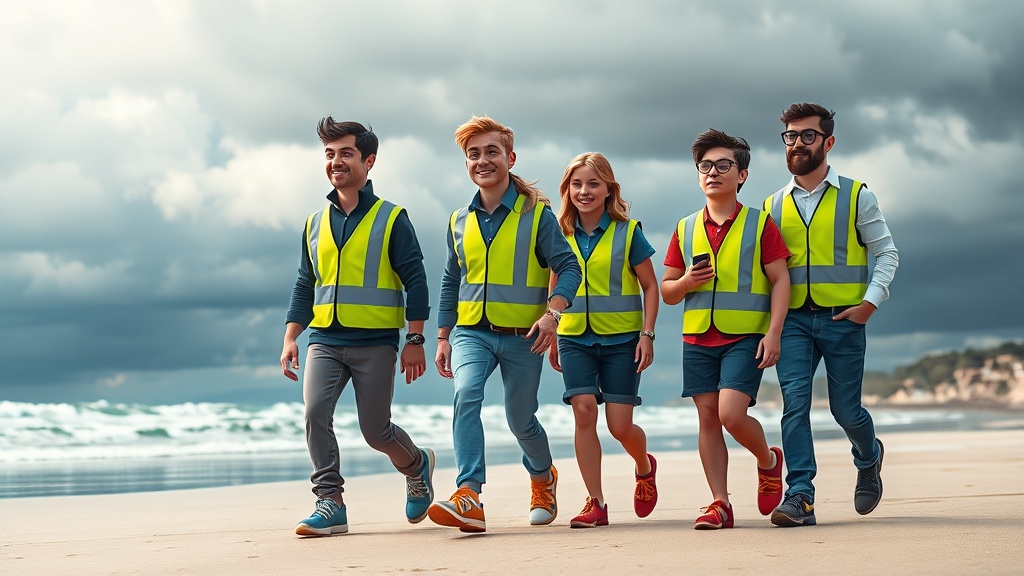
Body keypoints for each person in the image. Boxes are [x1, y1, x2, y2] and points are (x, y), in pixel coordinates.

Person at [280, 117, 435, 536]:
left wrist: (415, 339)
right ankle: (329, 502)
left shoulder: (392, 218)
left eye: (345, 153)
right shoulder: (314, 223)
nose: (336, 161)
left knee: (375, 430)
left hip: (376, 343)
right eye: (329, 154)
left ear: (369, 160)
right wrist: (292, 336)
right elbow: (304, 282)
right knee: (315, 414)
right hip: (325, 340)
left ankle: (417, 464)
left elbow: (415, 281)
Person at [429, 116, 582, 533]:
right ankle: (469, 494)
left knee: (521, 418)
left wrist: (553, 314)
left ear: (510, 158)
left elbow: (568, 267)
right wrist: (443, 336)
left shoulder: (537, 215)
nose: (483, 160)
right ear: (466, 163)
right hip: (471, 332)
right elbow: (450, 279)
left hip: (523, 338)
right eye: (473, 154)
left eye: (491, 151)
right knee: (466, 393)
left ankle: (542, 476)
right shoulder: (459, 220)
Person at [764, 103, 899, 527]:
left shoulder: (857, 195)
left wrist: (870, 303)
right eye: (790, 135)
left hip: (844, 319)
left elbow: (887, 253)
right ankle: (800, 495)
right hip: (794, 324)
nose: (797, 143)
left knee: (846, 411)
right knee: (795, 405)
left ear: (828, 142)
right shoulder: (772, 204)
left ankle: (869, 456)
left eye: (807, 135)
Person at [661, 129, 790, 530]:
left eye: (723, 165)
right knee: (706, 418)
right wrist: (686, 283)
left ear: (742, 175)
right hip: (697, 337)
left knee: (731, 414)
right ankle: (720, 502)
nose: (712, 172)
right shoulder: (684, 228)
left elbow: (781, 280)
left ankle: (768, 461)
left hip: (745, 336)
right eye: (705, 166)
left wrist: (774, 333)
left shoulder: (760, 224)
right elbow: (667, 290)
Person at [547, 152, 660, 528]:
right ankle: (595, 502)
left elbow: (650, 287)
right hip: (574, 337)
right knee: (583, 411)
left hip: (623, 340)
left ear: (609, 189)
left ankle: (644, 466)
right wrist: (552, 332)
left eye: (593, 183)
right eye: (576, 184)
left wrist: (647, 334)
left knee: (619, 425)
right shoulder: (559, 234)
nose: (584, 191)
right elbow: (554, 283)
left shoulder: (629, 232)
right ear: (567, 190)